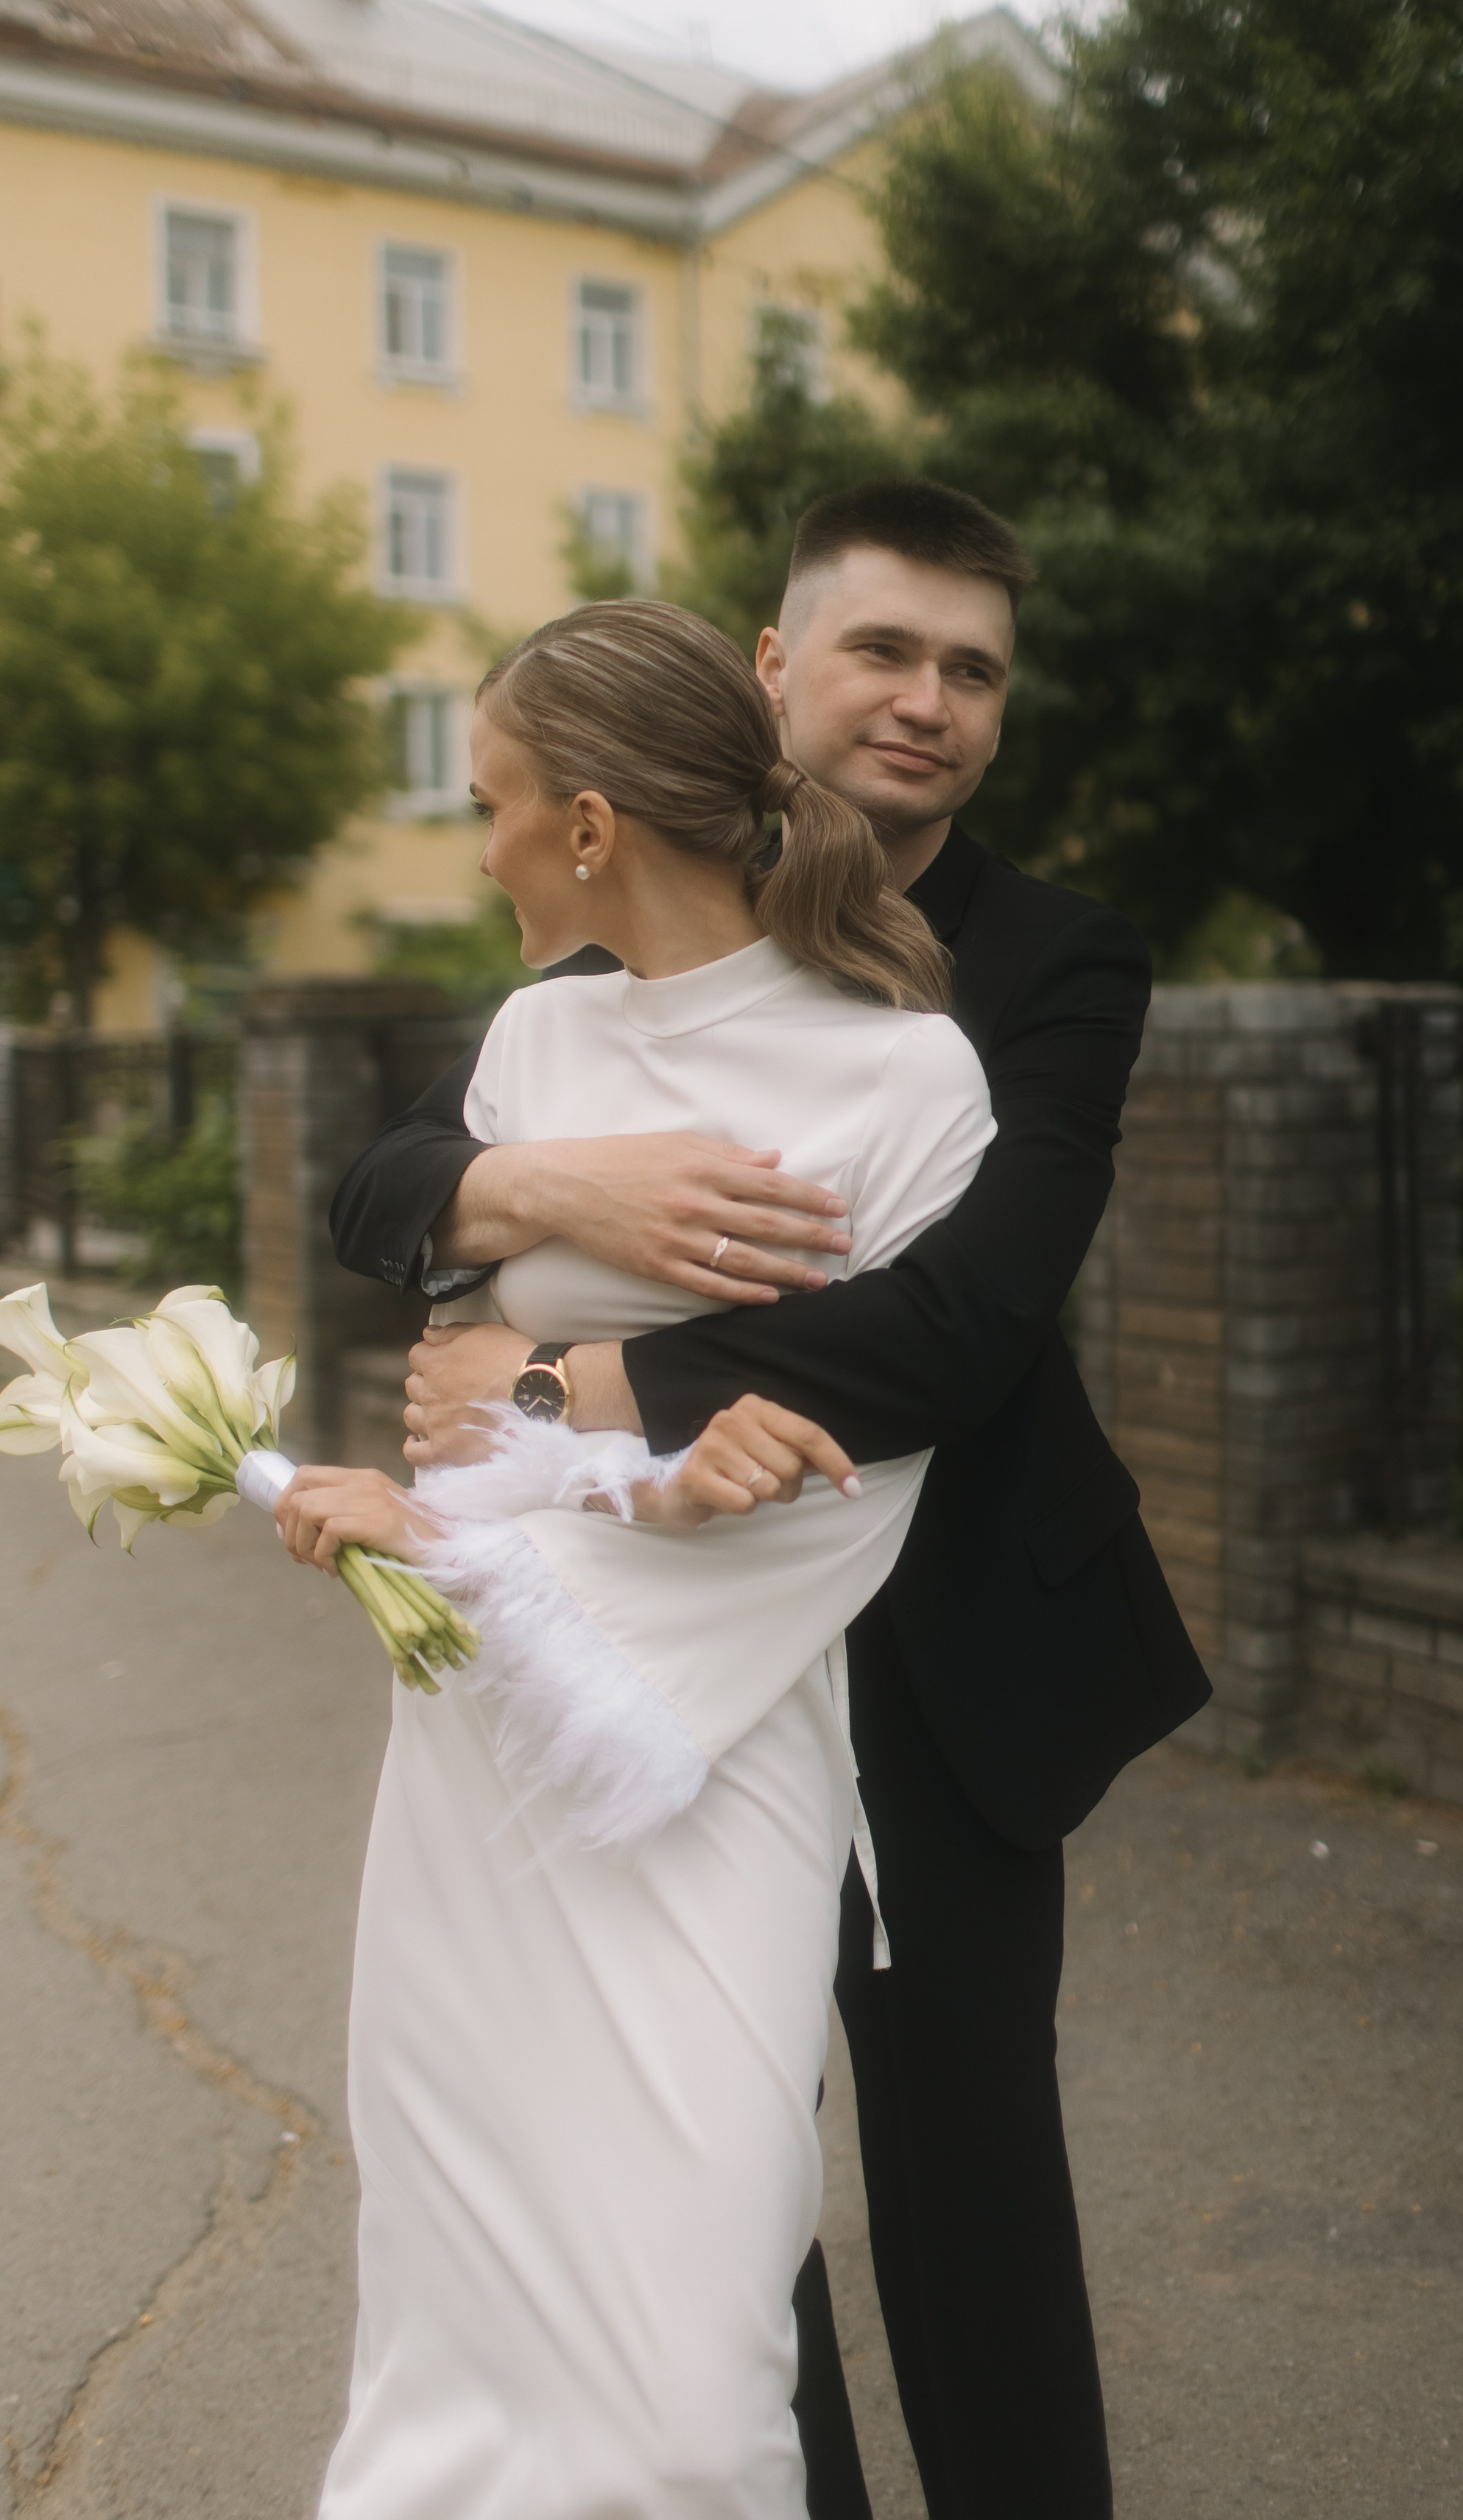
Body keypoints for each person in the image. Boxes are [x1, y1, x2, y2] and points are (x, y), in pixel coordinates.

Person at [328, 482, 1212, 2520]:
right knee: (707, 2202)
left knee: (971, 2179)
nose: (928, 702)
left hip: (942, 1646)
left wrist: (565, 1383)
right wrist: (547, 1187)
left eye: (973, 671)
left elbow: (962, 1323)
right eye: (885, 649)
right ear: (771, 668)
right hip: (629, 1662)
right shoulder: (574, 989)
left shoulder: (1051, 964)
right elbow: (395, 1192)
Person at [281, 597, 998, 2519]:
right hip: (475, 1767)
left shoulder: (909, 1084)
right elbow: (435, 1348)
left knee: (693, 2384)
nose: (483, 848)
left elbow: (851, 1474)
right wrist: (539, 1214)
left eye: (492, 804)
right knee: (464, 2319)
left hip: (720, 1759)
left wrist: (495, 1505)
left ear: (588, 826)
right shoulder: (535, 1041)